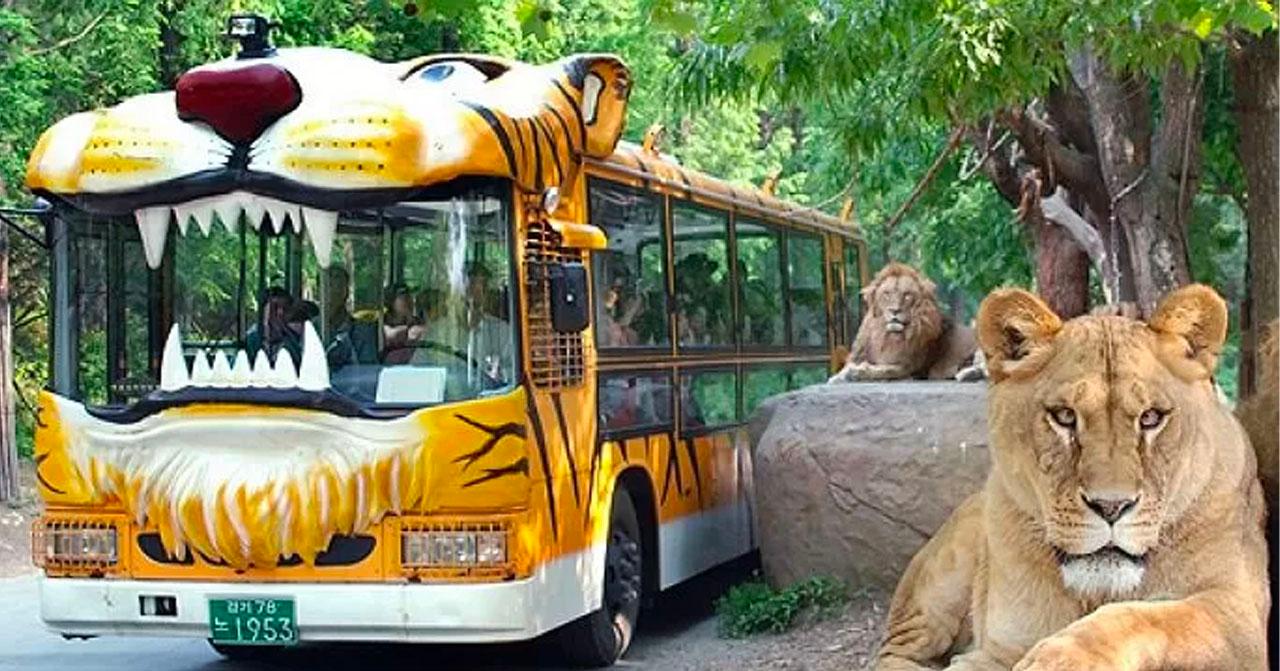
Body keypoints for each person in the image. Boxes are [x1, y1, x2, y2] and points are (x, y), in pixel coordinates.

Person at [245, 286, 301, 365]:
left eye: (284, 308)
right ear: (264, 310)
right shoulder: (252, 340)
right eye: (275, 307)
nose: (280, 312)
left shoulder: (292, 340)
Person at [382, 283, 424, 365]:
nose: (409, 300)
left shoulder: (417, 321)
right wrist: (408, 330)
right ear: (391, 301)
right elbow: (389, 335)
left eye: (410, 296)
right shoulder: (383, 321)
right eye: (403, 297)